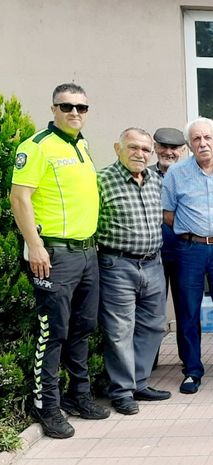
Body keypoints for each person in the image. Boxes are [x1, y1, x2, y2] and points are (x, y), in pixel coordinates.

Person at [10, 83, 110, 438]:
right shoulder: (36, 147)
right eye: (67, 107)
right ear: (53, 108)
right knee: (53, 332)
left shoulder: (81, 145)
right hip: (54, 254)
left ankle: (78, 396)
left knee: (82, 328)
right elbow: (19, 198)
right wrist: (34, 246)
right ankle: (46, 406)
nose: (74, 113)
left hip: (86, 252)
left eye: (81, 108)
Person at [162, 117, 213, 394]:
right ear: (189, 144)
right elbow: (168, 214)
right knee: (187, 312)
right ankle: (192, 370)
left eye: (207, 137)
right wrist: (192, 234)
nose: (202, 143)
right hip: (190, 250)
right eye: (196, 139)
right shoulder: (176, 174)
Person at [96, 128, 170, 415]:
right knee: (119, 331)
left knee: (153, 326)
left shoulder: (155, 180)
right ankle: (122, 391)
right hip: (118, 264)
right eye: (133, 148)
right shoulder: (102, 180)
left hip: (153, 263)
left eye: (145, 149)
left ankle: (138, 381)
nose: (140, 154)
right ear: (118, 148)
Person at [150, 127, 186, 369]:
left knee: (186, 308)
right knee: (152, 309)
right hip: (153, 254)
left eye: (174, 148)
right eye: (164, 146)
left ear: (182, 150)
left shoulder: (188, 174)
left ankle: (188, 359)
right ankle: (148, 362)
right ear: (155, 148)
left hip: (184, 251)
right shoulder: (144, 175)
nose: (169, 152)